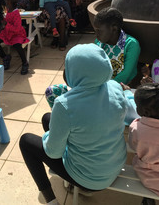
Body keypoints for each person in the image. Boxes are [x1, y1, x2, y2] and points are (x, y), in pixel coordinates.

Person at [20, 44, 128, 205]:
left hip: (89, 179)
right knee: (47, 118)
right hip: (115, 165)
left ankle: (50, 200)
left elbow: (53, 153)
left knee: (26, 141)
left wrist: (49, 137)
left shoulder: (65, 105)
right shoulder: (115, 87)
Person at [129, 83, 159, 205]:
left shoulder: (136, 128)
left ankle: (148, 199)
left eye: (137, 106)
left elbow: (133, 146)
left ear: (144, 110)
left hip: (148, 177)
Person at [94, 7, 140, 84]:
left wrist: (104, 88)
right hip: (101, 85)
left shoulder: (131, 44)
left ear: (114, 29)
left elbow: (126, 75)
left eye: (99, 31)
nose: (96, 34)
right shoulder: (99, 43)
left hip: (124, 86)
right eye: (95, 30)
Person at [0, 0, 29, 75]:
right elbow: (6, 21)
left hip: (17, 33)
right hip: (8, 32)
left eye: (6, 0)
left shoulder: (16, 12)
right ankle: (5, 57)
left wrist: (6, 24)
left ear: (11, 1)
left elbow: (17, 28)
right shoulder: (8, 10)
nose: (4, 2)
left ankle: (24, 62)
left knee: (17, 45)